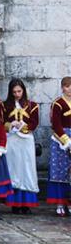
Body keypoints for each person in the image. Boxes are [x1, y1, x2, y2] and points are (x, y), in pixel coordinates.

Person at [3, 79, 40, 213]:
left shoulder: (32, 105)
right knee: (14, 168)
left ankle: (27, 203)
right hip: (12, 139)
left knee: (27, 168)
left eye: (19, 91)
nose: (17, 94)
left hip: (26, 140)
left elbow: (35, 122)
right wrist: (11, 125)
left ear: (23, 90)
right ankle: (14, 203)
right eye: (14, 92)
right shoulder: (5, 105)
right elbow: (2, 122)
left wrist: (24, 127)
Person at [49, 76, 71, 215]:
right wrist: (67, 141)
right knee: (60, 172)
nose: (69, 89)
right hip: (61, 139)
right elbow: (55, 124)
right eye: (67, 86)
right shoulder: (57, 103)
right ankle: (59, 202)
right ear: (62, 87)